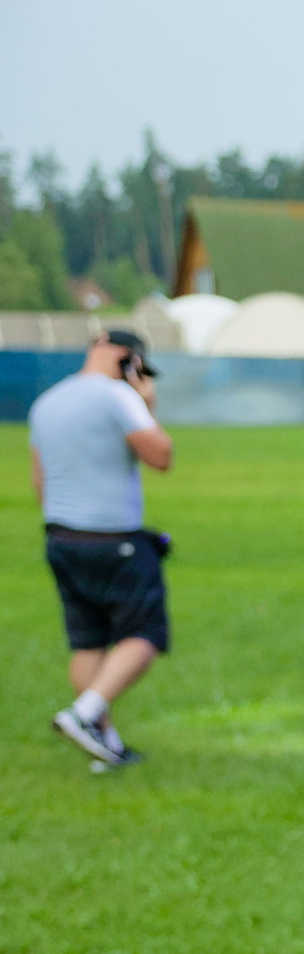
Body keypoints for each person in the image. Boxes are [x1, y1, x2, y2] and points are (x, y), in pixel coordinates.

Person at [31, 328, 175, 769]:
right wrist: (146, 404)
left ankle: (104, 743)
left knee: (88, 643)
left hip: (61, 538)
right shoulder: (119, 397)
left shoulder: (47, 402)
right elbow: (161, 456)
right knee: (145, 635)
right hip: (114, 540)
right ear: (129, 360)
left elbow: (40, 481)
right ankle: (84, 714)